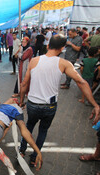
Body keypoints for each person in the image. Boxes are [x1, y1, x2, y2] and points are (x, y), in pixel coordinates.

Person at [19, 34, 100, 166]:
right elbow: (82, 82)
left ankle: (22, 151)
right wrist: (95, 105)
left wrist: (22, 101)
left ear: (48, 45)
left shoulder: (34, 61)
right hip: (49, 107)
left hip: (33, 104)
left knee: (28, 126)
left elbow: (24, 84)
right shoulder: (64, 63)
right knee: (43, 131)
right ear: (62, 48)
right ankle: (34, 157)